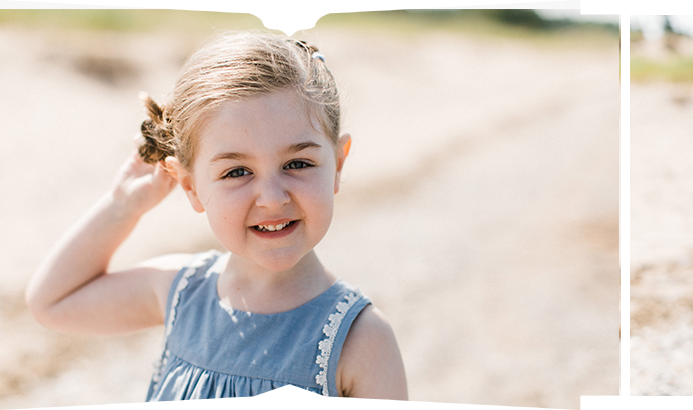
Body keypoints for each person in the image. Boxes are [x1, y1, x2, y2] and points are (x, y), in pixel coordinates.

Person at [26, 31, 407, 400]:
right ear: (191, 187)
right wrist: (124, 205)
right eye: (236, 172)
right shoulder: (181, 293)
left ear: (338, 164)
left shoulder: (361, 340)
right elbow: (52, 302)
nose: (272, 199)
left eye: (298, 163)